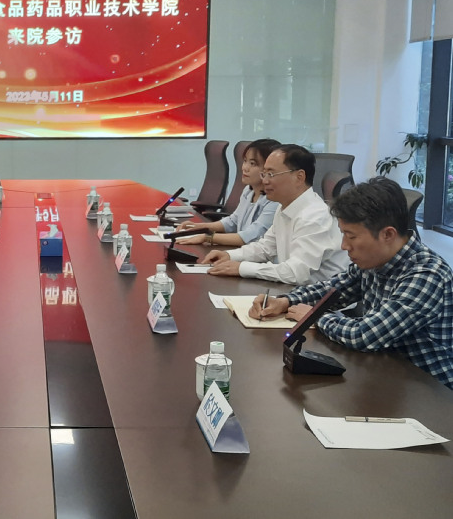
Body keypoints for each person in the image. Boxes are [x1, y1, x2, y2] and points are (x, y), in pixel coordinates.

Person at [250, 177, 453, 389]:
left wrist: (314, 316)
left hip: (428, 391)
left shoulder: (427, 275)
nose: (344, 245)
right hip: (385, 375)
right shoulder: (374, 260)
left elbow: (365, 335)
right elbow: (333, 290)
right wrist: (285, 301)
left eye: (351, 236)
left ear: (387, 234)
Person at [201, 144, 349, 284]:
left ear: (299, 177)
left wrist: (242, 268)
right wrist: (230, 255)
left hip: (320, 299)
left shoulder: (314, 216)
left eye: (271, 174)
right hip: (294, 292)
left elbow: (296, 273)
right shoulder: (284, 207)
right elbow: (265, 248)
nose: (265, 181)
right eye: (264, 174)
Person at [176, 138, 281, 246]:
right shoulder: (248, 191)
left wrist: (207, 238)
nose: (245, 168)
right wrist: (198, 227)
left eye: (252, 164)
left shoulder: (275, 200)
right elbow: (233, 221)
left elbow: (250, 236)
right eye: (245, 161)